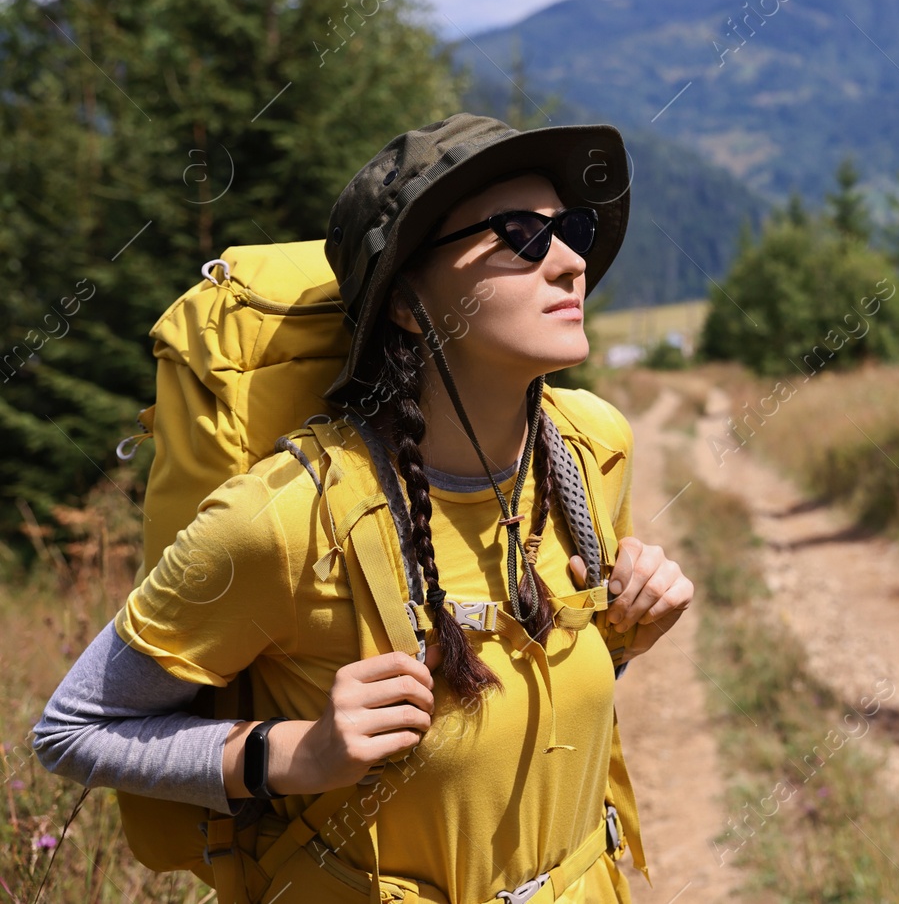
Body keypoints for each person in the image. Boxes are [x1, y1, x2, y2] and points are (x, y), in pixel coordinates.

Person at [31, 114, 694, 903]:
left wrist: (623, 633)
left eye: (572, 229)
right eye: (521, 233)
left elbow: (537, 705)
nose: (569, 261)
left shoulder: (591, 450)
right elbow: (72, 730)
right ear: (410, 303)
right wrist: (292, 754)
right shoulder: (283, 519)